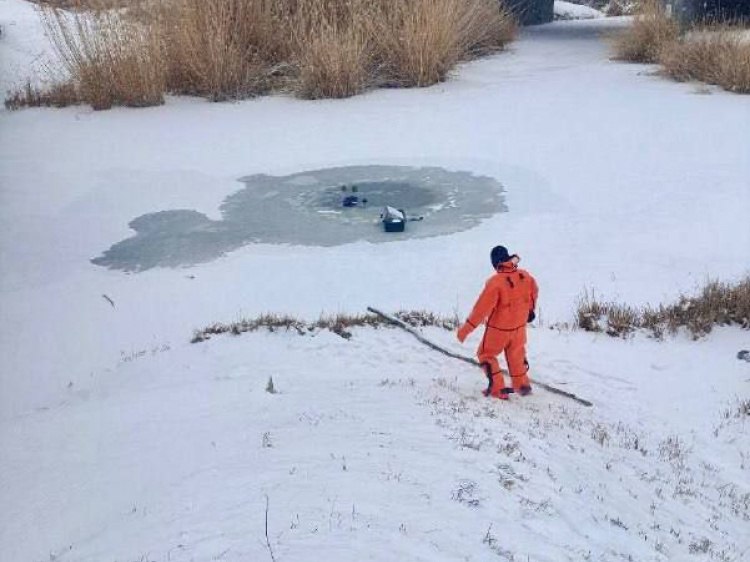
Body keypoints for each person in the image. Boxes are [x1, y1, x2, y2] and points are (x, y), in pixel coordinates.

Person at [457, 246, 539, 400]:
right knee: (516, 354)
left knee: (485, 354)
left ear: (495, 263)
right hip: (519, 328)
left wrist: (465, 331)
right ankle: (523, 386)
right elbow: (534, 291)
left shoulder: (495, 282)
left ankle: (497, 388)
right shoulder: (525, 276)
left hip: (499, 330)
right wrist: (530, 310)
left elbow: (480, 310)